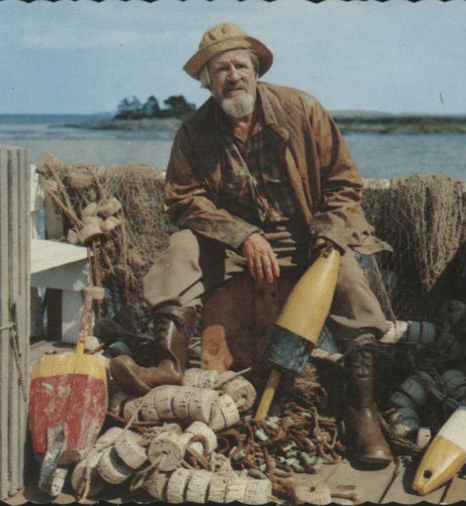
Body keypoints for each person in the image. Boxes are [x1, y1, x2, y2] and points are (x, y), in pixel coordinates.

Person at [109, 23, 393, 465]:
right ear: (207, 81)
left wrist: (327, 233)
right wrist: (242, 235)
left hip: (307, 238)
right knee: (182, 248)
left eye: (240, 65)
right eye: (220, 70)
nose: (233, 76)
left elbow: (344, 182)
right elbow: (184, 199)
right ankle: (168, 365)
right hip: (233, 247)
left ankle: (363, 408)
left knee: (352, 279)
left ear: (256, 70)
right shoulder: (195, 131)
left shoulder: (302, 110)